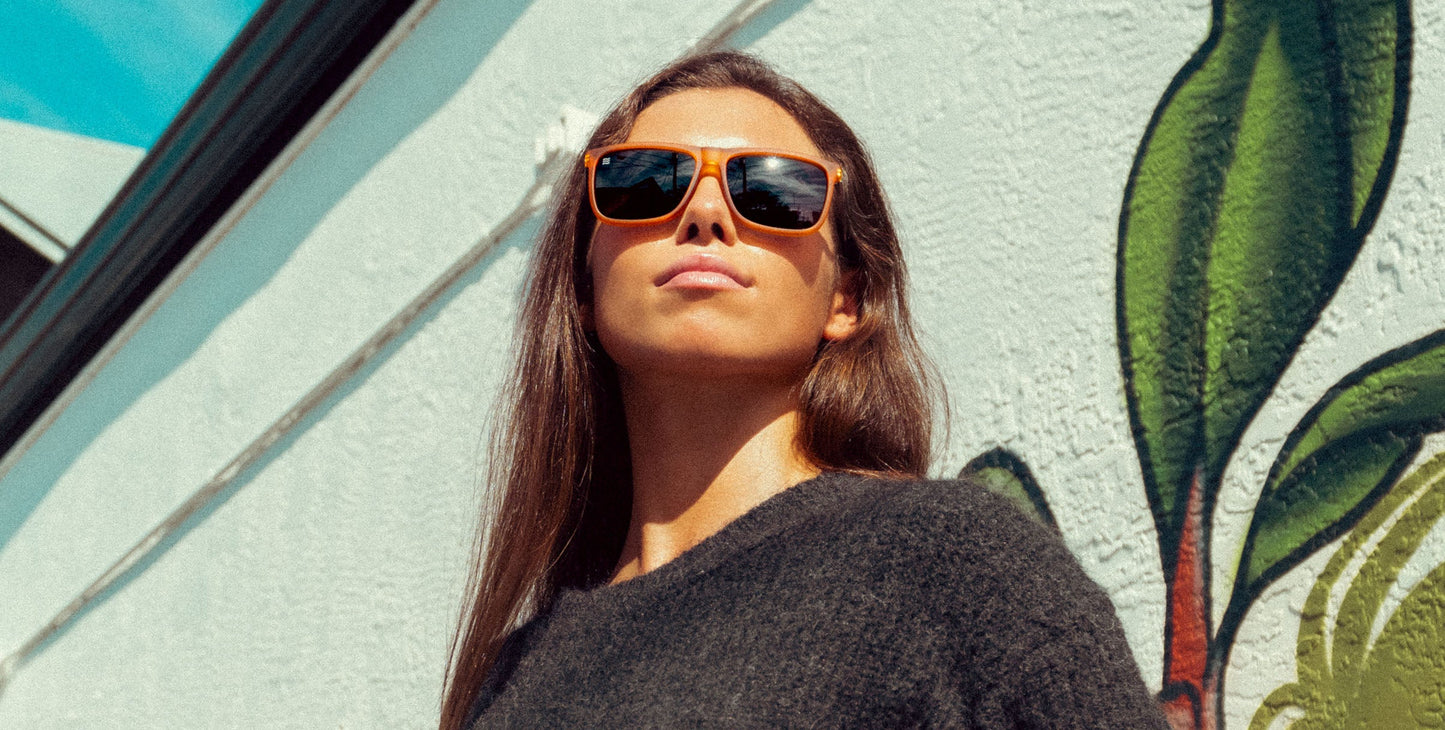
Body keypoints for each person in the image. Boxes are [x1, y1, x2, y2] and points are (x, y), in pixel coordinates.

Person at [441, 51, 1168, 729]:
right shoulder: (506, 686)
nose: (704, 215)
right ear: (583, 284)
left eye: (773, 192)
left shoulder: (953, 561)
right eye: (645, 181)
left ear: (845, 300)